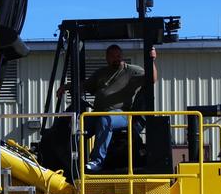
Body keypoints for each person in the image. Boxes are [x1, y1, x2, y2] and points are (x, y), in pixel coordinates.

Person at [60, 45, 158, 173]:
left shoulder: (131, 71)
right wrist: (66, 86)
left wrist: (152, 60)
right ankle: (71, 162)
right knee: (78, 125)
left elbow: (152, 79)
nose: (116, 58)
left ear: (122, 56)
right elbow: (85, 85)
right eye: (112, 56)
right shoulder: (101, 73)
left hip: (122, 115)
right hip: (98, 113)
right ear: (107, 58)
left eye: (118, 56)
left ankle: (97, 161)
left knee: (106, 119)